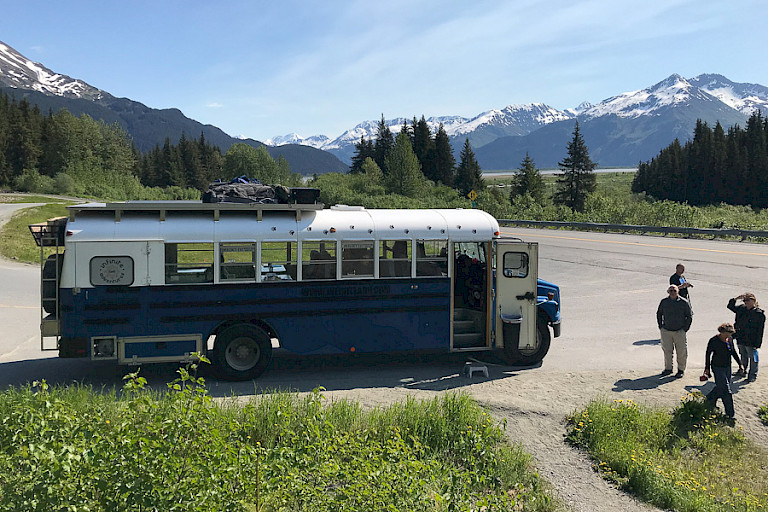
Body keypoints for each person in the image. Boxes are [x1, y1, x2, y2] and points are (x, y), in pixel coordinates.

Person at [704, 323, 744, 421]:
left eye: (730, 334)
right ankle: (730, 414)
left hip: (727, 366)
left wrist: (740, 364)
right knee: (726, 390)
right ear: (721, 332)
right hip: (717, 367)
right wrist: (707, 368)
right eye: (727, 333)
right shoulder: (713, 341)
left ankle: (709, 399)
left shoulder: (729, 340)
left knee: (721, 387)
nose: (729, 336)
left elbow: (733, 352)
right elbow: (708, 354)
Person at [727, 292, 765, 382]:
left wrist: (758, 343)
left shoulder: (759, 313)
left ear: (753, 300)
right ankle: (742, 371)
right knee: (743, 355)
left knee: (754, 358)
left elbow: (760, 330)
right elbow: (730, 306)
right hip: (741, 337)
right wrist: (736, 298)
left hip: (752, 340)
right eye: (744, 300)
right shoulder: (741, 309)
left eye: (747, 300)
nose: (745, 302)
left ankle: (752, 375)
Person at [656, 284, 693, 378]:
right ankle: (668, 368)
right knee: (667, 351)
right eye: (670, 291)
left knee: (681, 351)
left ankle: (681, 369)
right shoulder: (664, 302)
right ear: (668, 292)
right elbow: (659, 313)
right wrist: (661, 326)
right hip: (666, 331)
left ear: (678, 292)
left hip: (679, 331)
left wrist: (685, 329)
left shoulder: (684, 302)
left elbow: (689, 316)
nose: (672, 292)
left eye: (674, 291)